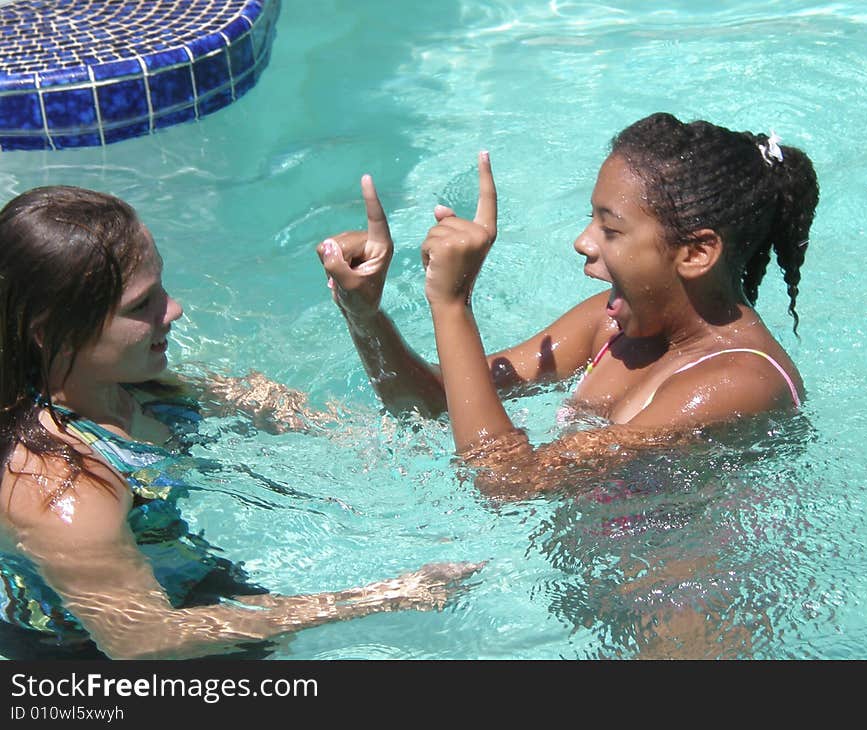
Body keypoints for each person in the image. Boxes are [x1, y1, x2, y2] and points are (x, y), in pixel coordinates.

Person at [0, 185, 481, 660]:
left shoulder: (130, 384)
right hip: (88, 655)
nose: (173, 310)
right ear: (52, 334)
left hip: (186, 581)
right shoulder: (61, 489)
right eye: (140, 305)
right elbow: (142, 640)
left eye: (161, 286)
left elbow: (281, 408)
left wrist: (362, 316)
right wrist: (380, 597)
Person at [317, 112, 819, 497]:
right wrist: (364, 315)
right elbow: (437, 407)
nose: (583, 241)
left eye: (611, 227)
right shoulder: (613, 327)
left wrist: (453, 305)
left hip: (682, 613)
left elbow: (507, 483)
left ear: (696, 252)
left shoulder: (738, 383)